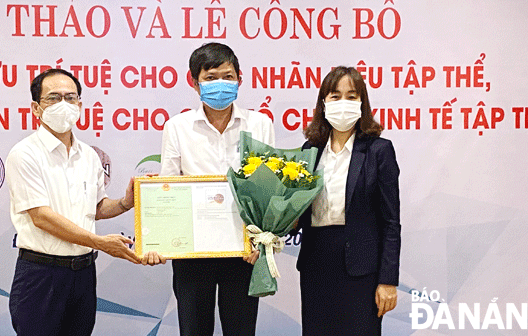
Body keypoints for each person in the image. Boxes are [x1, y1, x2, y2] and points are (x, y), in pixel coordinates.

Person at [5, 68, 165, 336]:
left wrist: (126, 203)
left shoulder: (89, 155)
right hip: (41, 276)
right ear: (36, 108)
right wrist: (100, 243)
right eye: (53, 98)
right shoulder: (25, 154)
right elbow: (41, 216)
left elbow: (96, 208)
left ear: (80, 104)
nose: (64, 105)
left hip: (83, 276)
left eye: (70, 97)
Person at [154, 42, 274, 335]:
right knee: (194, 330)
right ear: (194, 83)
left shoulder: (259, 124)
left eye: (228, 76)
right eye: (210, 78)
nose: (220, 84)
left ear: (240, 79)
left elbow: (269, 189)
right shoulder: (177, 127)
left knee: (241, 329)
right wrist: (160, 240)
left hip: (243, 250)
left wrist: (261, 240)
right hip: (193, 252)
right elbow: (167, 188)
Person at [296, 66, 401, 335]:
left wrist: (387, 280)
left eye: (351, 96)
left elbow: (390, 222)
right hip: (316, 263)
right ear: (323, 103)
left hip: (361, 268)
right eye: (335, 96)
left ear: (362, 103)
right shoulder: (309, 151)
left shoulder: (379, 150)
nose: (343, 103)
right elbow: (295, 209)